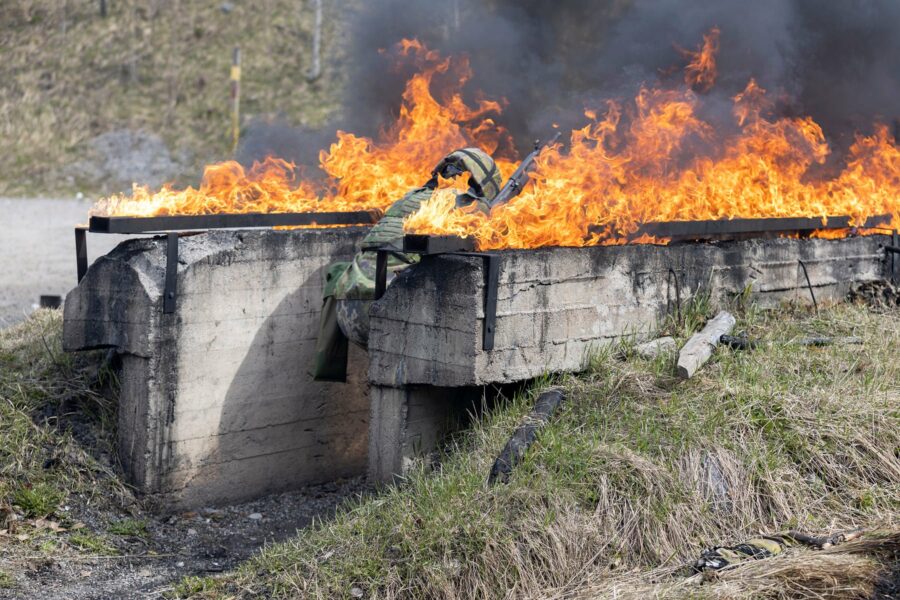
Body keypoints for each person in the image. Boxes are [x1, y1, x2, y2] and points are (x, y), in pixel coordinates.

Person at [312, 147, 503, 381]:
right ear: (480, 182)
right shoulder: (465, 205)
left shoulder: (412, 196)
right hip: (382, 307)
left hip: (346, 307)